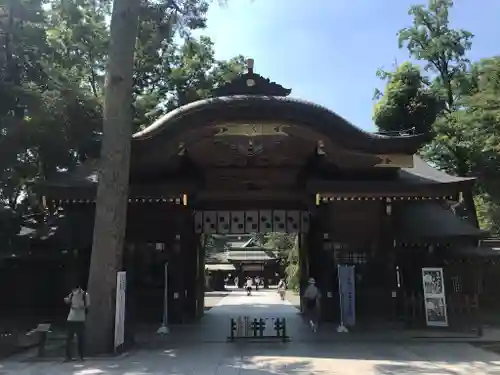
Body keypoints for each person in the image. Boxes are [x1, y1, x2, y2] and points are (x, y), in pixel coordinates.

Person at [64, 285, 90, 361]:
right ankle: (68, 356)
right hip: (71, 319)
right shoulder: (72, 294)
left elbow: (87, 305)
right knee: (68, 338)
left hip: (80, 319)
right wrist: (67, 300)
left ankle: (81, 356)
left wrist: (79, 305)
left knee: (81, 338)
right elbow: (68, 300)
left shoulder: (85, 295)